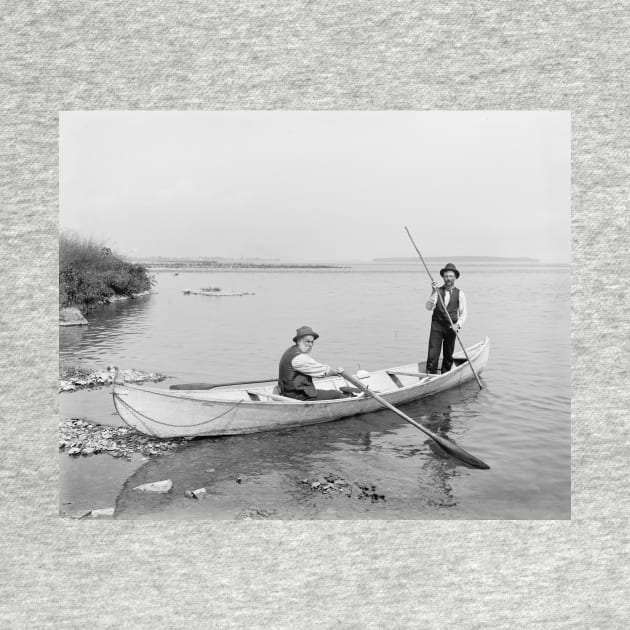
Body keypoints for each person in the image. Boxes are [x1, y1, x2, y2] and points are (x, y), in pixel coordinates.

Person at [278, 326, 346, 400]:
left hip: (288, 393)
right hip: (298, 397)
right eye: (307, 341)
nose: (310, 345)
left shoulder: (290, 351)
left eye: (312, 342)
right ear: (298, 341)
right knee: (336, 394)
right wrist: (334, 372)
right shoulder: (299, 358)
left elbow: (314, 367)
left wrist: (327, 369)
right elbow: (322, 371)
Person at [425, 263, 467, 374]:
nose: (448, 278)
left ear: (455, 278)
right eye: (446, 276)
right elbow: (428, 307)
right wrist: (433, 291)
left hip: (451, 327)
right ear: (443, 277)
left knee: (448, 355)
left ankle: (445, 375)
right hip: (436, 327)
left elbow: (463, 314)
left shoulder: (460, 293)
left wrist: (457, 325)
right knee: (432, 354)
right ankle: (430, 376)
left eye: (450, 276)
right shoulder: (437, 291)